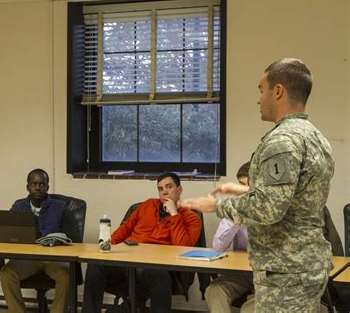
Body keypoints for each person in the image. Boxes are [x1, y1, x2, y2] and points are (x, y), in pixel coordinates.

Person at [179, 58, 334, 312]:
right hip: (306, 267)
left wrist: (217, 205)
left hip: (284, 272)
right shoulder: (315, 137)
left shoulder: (282, 140)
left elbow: (270, 209)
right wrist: (244, 190)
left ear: (278, 91)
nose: (258, 99)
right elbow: (296, 197)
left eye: (261, 90)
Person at [82, 172, 202, 313]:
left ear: (180, 190)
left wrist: (174, 214)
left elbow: (183, 248)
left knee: (159, 276)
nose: (164, 192)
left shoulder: (191, 218)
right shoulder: (147, 205)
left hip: (156, 266)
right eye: (160, 189)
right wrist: (106, 247)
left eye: (169, 187)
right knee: (95, 265)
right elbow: (125, 229)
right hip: (129, 260)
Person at [0, 168, 81, 313]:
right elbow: (8, 235)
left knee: (66, 276)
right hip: (28, 259)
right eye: (34, 184)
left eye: (42, 184)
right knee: (7, 273)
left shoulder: (61, 207)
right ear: (28, 187)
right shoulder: (18, 207)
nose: (38, 187)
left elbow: (75, 238)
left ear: (47, 187)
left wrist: (58, 241)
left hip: (54, 258)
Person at [205, 161, 254, 313]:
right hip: (242, 273)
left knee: (249, 308)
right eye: (240, 185)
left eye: (247, 187)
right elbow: (218, 246)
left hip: (268, 275)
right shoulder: (233, 207)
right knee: (214, 291)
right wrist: (237, 218)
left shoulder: (273, 209)